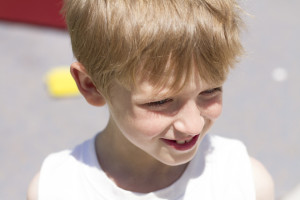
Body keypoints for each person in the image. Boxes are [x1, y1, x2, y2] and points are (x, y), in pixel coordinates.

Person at [28, 0, 274, 199]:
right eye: (161, 101)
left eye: (210, 91)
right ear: (90, 86)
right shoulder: (54, 189)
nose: (193, 125)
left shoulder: (246, 184)